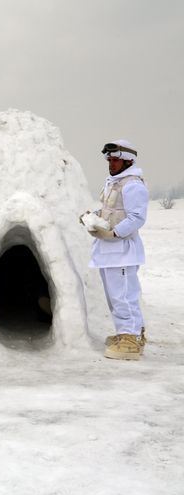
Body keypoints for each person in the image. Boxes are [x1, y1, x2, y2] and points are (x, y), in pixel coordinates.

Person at [80, 140, 148, 360]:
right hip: (109, 252)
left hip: (122, 252)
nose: (111, 163)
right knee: (114, 297)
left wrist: (114, 233)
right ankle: (127, 334)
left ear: (128, 160)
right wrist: (94, 218)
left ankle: (130, 339)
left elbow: (137, 217)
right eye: (109, 159)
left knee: (124, 296)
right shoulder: (114, 182)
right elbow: (111, 209)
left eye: (116, 159)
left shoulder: (133, 185)